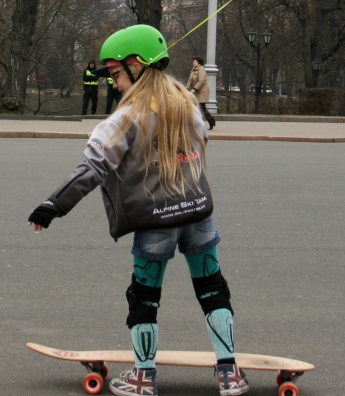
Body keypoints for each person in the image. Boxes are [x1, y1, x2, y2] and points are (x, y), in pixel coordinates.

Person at [28, 25, 249, 396]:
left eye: (116, 74)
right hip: (198, 213)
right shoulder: (187, 104)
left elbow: (93, 167)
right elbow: (200, 145)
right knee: (213, 289)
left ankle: (143, 378)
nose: (114, 84)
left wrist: (52, 205)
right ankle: (229, 373)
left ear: (136, 66)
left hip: (156, 220)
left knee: (144, 297)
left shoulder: (125, 118)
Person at [186, 56, 216, 130]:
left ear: (199, 63)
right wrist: (186, 89)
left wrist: (195, 89)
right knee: (200, 108)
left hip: (202, 91)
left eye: (195, 62)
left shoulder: (201, 69)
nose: (193, 63)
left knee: (201, 108)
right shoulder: (193, 69)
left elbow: (201, 80)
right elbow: (190, 80)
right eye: (193, 61)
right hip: (197, 91)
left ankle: (210, 122)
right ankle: (211, 121)